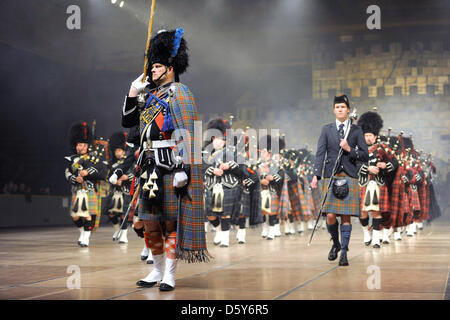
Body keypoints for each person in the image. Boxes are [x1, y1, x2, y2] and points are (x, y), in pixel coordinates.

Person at [122, 28, 209, 291]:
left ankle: (169, 274)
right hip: (148, 166)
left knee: (170, 222)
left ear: (170, 68)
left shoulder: (179, 92)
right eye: (152, 66)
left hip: (170, 165)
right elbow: (128, 123)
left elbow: (187, 131)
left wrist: (183, 167)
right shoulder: (149, 95)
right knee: (149, 222)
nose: (152, 71)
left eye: (157, 66)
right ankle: (155, 271)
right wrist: (134, 90)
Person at [311, 94, 369, 266]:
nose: (340, 110)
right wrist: (316, 175)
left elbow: (365, 155)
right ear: (334, 110)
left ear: (348, 110)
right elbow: (320, 153)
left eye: (343, 107)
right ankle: (335, 244)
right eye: (337, 107)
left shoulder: (356, 130)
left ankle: (344, 252)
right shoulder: (326, 129)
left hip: (349, 175)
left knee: (345, 217)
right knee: (330, 215)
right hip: (331, 175)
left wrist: (349, 148)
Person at [356, 111, 398, 248]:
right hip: (363, 183)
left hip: (379, 183)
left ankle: (375, 239)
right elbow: (352, 163)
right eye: (366, 135)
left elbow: (395, 162)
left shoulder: (383, 148)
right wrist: (367, 168)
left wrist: (385, 165)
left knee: (376, 211)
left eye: (370, 136)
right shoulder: (357, 149)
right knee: (362, 212)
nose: (368, 138)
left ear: (375, 136)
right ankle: (365, 233)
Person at [64, 122, 107, 247]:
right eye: (77, 144)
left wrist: (87, 172)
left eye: (81, 144)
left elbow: (102, 173)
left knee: (87, 214)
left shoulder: (94, 159)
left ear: (87, 145)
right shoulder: (72, 159)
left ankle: (86, 239)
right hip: (77, 189)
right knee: (75, 216)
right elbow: (67, 172)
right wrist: (73, 178)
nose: (79, 147)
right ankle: (83, 232)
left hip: (89, 189)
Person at [203, 118, 244, 247]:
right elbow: (201, 167)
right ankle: (219, 229)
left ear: (225, 140)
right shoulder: (205, 152)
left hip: (228, 186)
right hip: (211, 186)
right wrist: (212, 170)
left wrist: (230, 165)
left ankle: (225, 238)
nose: (218, 142)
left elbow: (242, 168)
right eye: (216, 138)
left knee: (225, 214)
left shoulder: (232, 152)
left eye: (221, 139)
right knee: (210, 215)